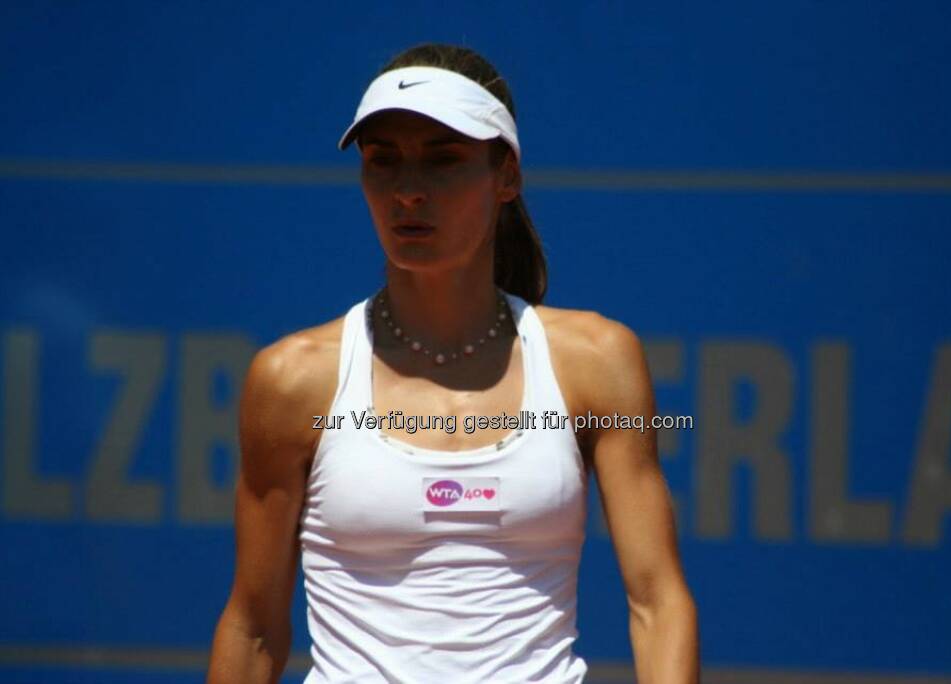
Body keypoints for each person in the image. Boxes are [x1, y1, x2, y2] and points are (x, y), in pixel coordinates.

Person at [207, 43, 698, 684]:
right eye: (384, 162)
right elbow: (252, 627)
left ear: (507, 177)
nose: (409, 192)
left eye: (444, 161)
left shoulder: (598, 362)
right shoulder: (292, 379)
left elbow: (658, 602)